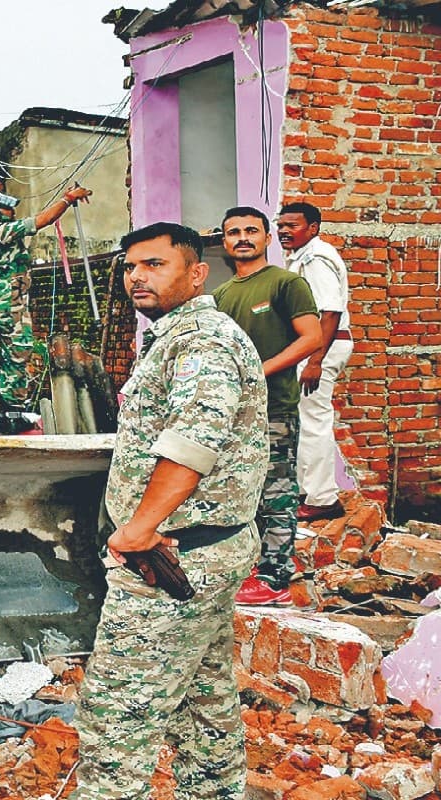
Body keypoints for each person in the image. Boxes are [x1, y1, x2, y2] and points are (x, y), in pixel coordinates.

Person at [71, 222, 267, 800]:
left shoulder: (200, 339)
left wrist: (138, 528)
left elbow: (194, 439)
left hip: (174, 554)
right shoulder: (177, 335)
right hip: (206, 547)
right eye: (131, 267)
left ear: (196, 273)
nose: (137, 277)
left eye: (155, 265)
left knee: (117, 719)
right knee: (203, 701)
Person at [213, 206, 322, 606]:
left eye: (251, 231)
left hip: (273, 408)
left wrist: (259, 371)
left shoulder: (285, 283)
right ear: (224, 242)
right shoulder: (222, 295)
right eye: (234, 232)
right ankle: (250, 571)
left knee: (276, 493)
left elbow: (311, 338)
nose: (242, 238)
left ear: (266, 238)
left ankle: (276, 580)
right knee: (244, 492)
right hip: (232, 413)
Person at [0, 184, 92, 421]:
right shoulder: (0, 230)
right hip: (5, 302)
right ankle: (14, 408)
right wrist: (67, 199)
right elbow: (41, 220)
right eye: (2, 207)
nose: (10, 210)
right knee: (18, 349)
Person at [277, 201, 353, 522]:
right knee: (306, 421)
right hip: (314, 348)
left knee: (314, 422)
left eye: (292, 226)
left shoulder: (317, 258)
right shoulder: (303, 257)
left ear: (313, 228)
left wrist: (315, 360)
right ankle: (311, 490)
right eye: (281, 226)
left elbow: (330, 310)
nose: (284, 231)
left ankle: (322, 498)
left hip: (322, 348)